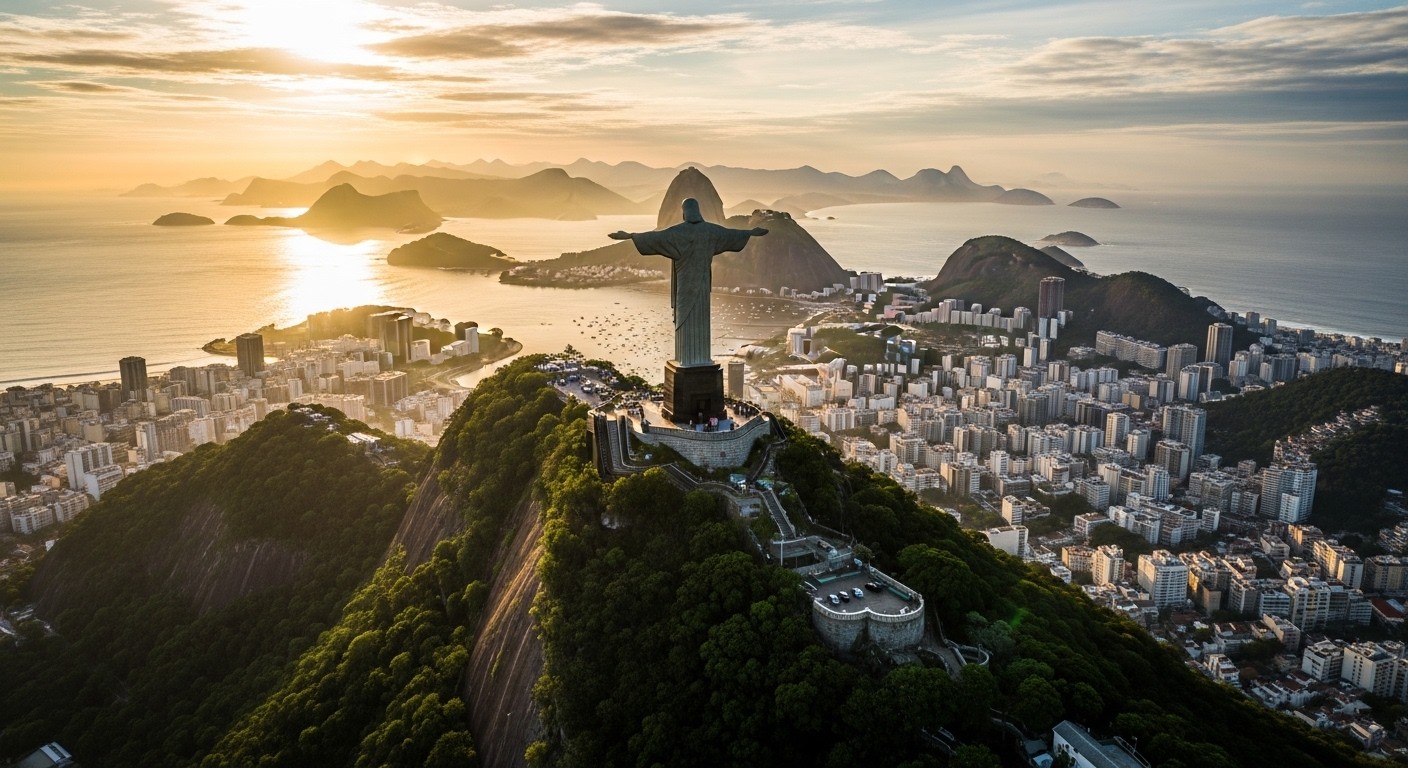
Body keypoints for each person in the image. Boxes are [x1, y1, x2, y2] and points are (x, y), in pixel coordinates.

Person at [610, 198, 767, 367]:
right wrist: (750, 232)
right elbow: (732, 234)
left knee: (684, 317)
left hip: (684, 287)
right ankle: (700, 359)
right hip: (703, 285)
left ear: (684, 212)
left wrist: (630, 236)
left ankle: (688, 359)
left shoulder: (677, 233)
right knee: (701, 318)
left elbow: (655, 237)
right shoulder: (711, 231)